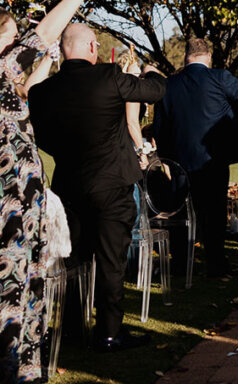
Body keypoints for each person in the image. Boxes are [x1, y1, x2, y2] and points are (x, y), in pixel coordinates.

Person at [1, 0, 117, 384]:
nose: (17, 45)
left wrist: (47, 58)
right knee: (8, 301)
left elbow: (32, 79)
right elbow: (47, 30)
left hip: (21, 213)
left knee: (24, 297)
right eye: (10, 39)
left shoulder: (7, 85)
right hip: (6, 212)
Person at [28, 23, 166, 354]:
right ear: (92, 48)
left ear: (62, 51)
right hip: (112, 186)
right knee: (110, 262)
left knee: (75, 262)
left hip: (68, 188)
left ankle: (74, 329)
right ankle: (108, 333)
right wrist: (151, 70)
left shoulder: (43, 91)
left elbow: (42, 138)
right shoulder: (109, 77)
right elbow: (155, 91)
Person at [152, 38, 238, 277]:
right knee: (213, 214)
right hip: (213, 161)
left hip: (180, 163)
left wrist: (165, 161)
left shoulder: (168, 85)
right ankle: (215, 265)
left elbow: (160, 127)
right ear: (208, 57)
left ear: (186, 56)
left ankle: (181, 266)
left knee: (181, 214)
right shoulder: (220, 77)